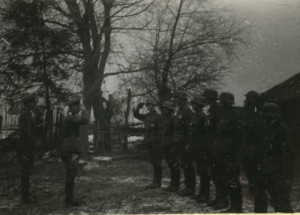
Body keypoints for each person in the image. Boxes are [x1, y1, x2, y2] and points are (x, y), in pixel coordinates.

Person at [255, 103, 294, 213]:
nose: (263, 118)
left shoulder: (283, 131)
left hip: (278, 170)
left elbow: (287, 154)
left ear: (270, 116)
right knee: (265, 196)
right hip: (266, 167)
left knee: (281, 200)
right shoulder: (267, 128)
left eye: (265, 116)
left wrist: (286, 175)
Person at [212, 92, 242, 212]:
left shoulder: (234, 116)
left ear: (226, 103)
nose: (219, 103)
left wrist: (234, 155)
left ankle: (236, 207)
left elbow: (237, 138)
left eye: (221, 102)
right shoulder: (222, 115)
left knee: (232, 180)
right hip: (221, 152)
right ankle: (224, 201)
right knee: (221, 177)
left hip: (230, 154)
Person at [61, 95, 89, 206]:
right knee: (71, 172)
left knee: (72, 171)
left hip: (73, 150)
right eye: (77, 106)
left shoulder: (70, 117)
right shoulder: (70, 118)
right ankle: (69, 200)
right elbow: (86, 119)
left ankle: (69, 198)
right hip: (70, 150)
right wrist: (84, 109)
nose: (79, 108)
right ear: (72, 107)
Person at [133, 98, 163, 189]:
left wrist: (158, 141)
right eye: (147, 105)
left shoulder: (158, 116)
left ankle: (157, 182)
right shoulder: (147, 116)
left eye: (150, 105)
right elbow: (137, 115)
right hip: (149, 141)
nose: (148, 107)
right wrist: (137, 108)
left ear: (154, 106)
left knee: (157, 162)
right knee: (153, 161)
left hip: (156, 142)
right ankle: (155, 181)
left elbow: (161, 130)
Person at [240, 91, 265, 196]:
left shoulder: (258, 116)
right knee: (249, 170)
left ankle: (258, 191)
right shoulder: (247, 115)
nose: (244, 102)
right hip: (247, 148)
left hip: (254, 149)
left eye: (247, 100)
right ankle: (253, 189)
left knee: (255, 171)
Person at [172, 91, 195, 197]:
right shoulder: (180, 110)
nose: (174, 100)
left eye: (176, 98)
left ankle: (190, 188)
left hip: (184, 142)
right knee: (184, 165)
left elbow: (188, 130)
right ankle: (187, 187)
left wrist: (187, 144)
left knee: (188, 165)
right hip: (179, 141)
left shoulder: (187, 111)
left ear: (182, 99)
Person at [18, 94, 39, 204]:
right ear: (28, 103)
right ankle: (25, 198)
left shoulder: (27, 113)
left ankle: (26, 195)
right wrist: (34, 140)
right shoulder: (26, 114)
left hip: (26, 146)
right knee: (26, 172)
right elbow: (25, 133)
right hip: (26, 147)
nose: (35, 104)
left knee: (27, 171)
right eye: (33, 102)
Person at [202, 89, 221, 207]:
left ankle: (221, 198)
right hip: (210, 145)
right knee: (214, 173)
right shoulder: (211, 110)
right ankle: (218, 198)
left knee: (217, 173)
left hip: (215, 146)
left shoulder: (217, 111)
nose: (204, 99)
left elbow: (217, 130)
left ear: (210, 98)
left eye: (206, 97)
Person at [189, 95, 210, 203]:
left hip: (201, 148)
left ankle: (205, 194)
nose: (192, 105)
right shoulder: (195, 116)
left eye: (193, 104)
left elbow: (205, 134)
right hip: (195, 147)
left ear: (197, 105)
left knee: (203, 171)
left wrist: (203, 147)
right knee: (200, 171)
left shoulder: (202, 116)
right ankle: (201, 193)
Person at [160, 101, 179, 192]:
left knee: (174, 165)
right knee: (171, 165)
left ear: (170, 109)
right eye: (163, 108)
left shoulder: (173, 118)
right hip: (165, 144)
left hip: (172, 144)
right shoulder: (164, 118)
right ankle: (173, 184)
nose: (164, 110)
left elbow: (174, 132)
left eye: (166, 108)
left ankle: (176, 185)